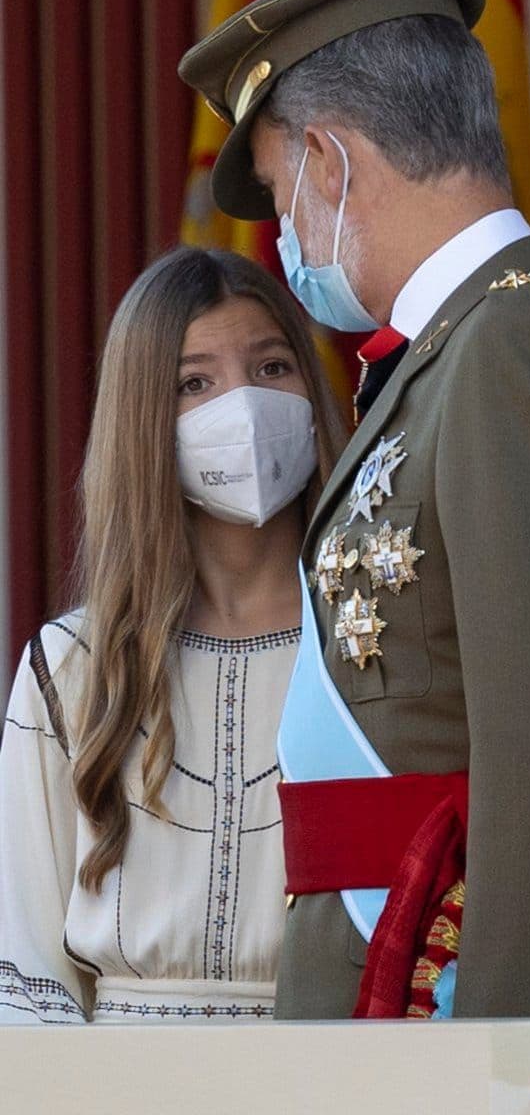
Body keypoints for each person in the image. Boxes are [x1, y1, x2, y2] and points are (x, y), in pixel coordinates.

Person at [178, 0, 530, 1020]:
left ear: (330, 161)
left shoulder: (519, 348)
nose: (285, 242)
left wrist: (499, 1071)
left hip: (450, 1006)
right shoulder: (453, 355)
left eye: (278, 198)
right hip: (391, 988)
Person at [0, 247, 346, 1023]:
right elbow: (25, 973)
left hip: (329, 1074)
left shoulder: (367, 647)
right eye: (195, 382)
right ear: (143, 417)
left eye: (271, 367)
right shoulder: (71, 666)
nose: (246, 406)